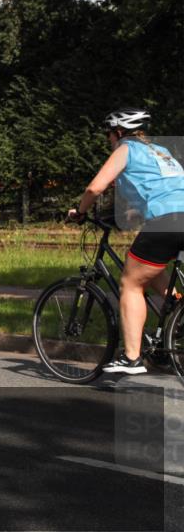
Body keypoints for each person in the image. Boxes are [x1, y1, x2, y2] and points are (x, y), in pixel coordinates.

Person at [69, 110, 184, 374]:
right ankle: (177, 317)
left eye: (109, 136)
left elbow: (94, 188)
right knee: (149, 270)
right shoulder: (161, 152)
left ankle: (132, 358)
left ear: (118, 133)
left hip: (167, 220)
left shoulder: (125, 149)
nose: (109, 141)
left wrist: (81, 212)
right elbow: (152, 194)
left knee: (130, 283)